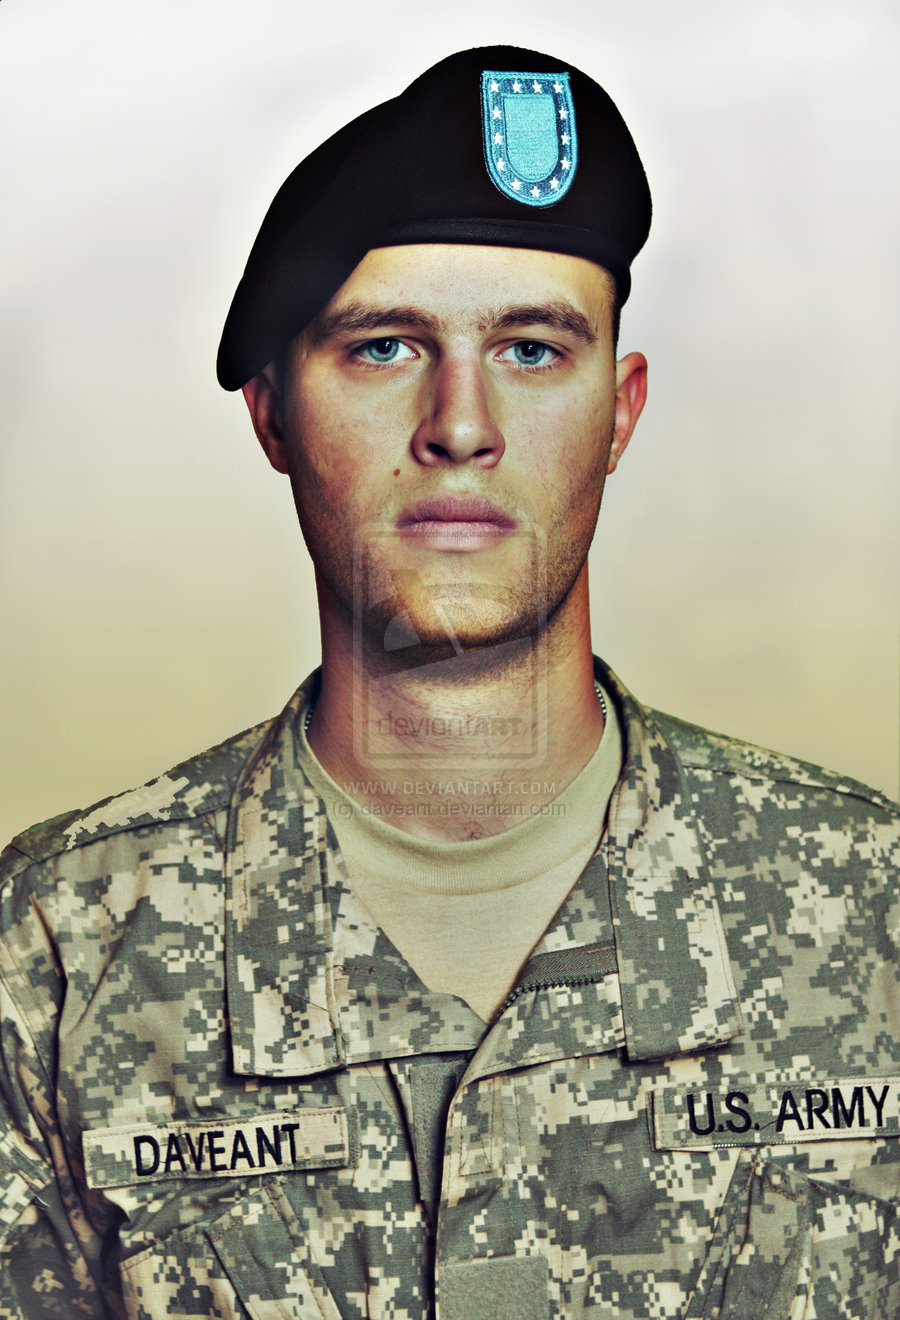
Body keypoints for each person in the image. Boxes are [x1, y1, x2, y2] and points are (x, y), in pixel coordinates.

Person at [1, 42, 898, 1320]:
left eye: (532, 349)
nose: (462, 424)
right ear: (273, 416)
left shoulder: (874, 912)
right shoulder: (55, 954)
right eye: (384, 348)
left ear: (622, 412)